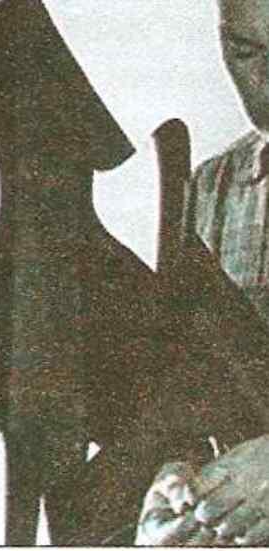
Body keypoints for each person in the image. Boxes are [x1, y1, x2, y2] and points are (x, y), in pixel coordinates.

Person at [136, 0, 269, 544]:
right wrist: (174, 482)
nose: (267, 79)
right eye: (246, 52)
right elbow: (187, 385)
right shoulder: (209, 189)